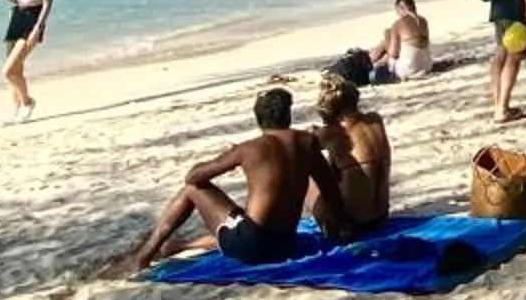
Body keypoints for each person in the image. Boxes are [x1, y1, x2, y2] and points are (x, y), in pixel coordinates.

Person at [107, 87, 350, 275]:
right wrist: (341, 227)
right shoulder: (307, 142)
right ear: (288, 115)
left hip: (252, 245)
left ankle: (144, 256)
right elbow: (329, 189)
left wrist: (230, 156)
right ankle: (176, 246)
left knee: (192, 190)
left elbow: (193, 177)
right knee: (242, 219)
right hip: (285, 244)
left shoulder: (250, 149)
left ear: (259, 119)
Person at [312, 74, 392, 234]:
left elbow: (301, 147)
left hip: (354, 222)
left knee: (309, 166)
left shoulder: (332, 132)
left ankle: (330, 224)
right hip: (382, 214)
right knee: (341, 160)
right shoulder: (375, 120)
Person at [0, 0, 55, 123]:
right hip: (17, 17)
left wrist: (38, 28)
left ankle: (28, 102)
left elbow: (46, 3)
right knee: (16, 69)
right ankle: (16, 110)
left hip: (33, 19)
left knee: (8, 71)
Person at [372, 0, 431, 82]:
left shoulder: (398, 24)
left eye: (397, 11)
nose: (398, 14)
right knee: (393, 38)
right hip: (427, 65)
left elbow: (393, 54)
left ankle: (372, 59)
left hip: (409, 69)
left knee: (387, 35)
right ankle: (374, 58)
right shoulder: (423, 21)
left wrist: (388, 38)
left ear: (401, 8)